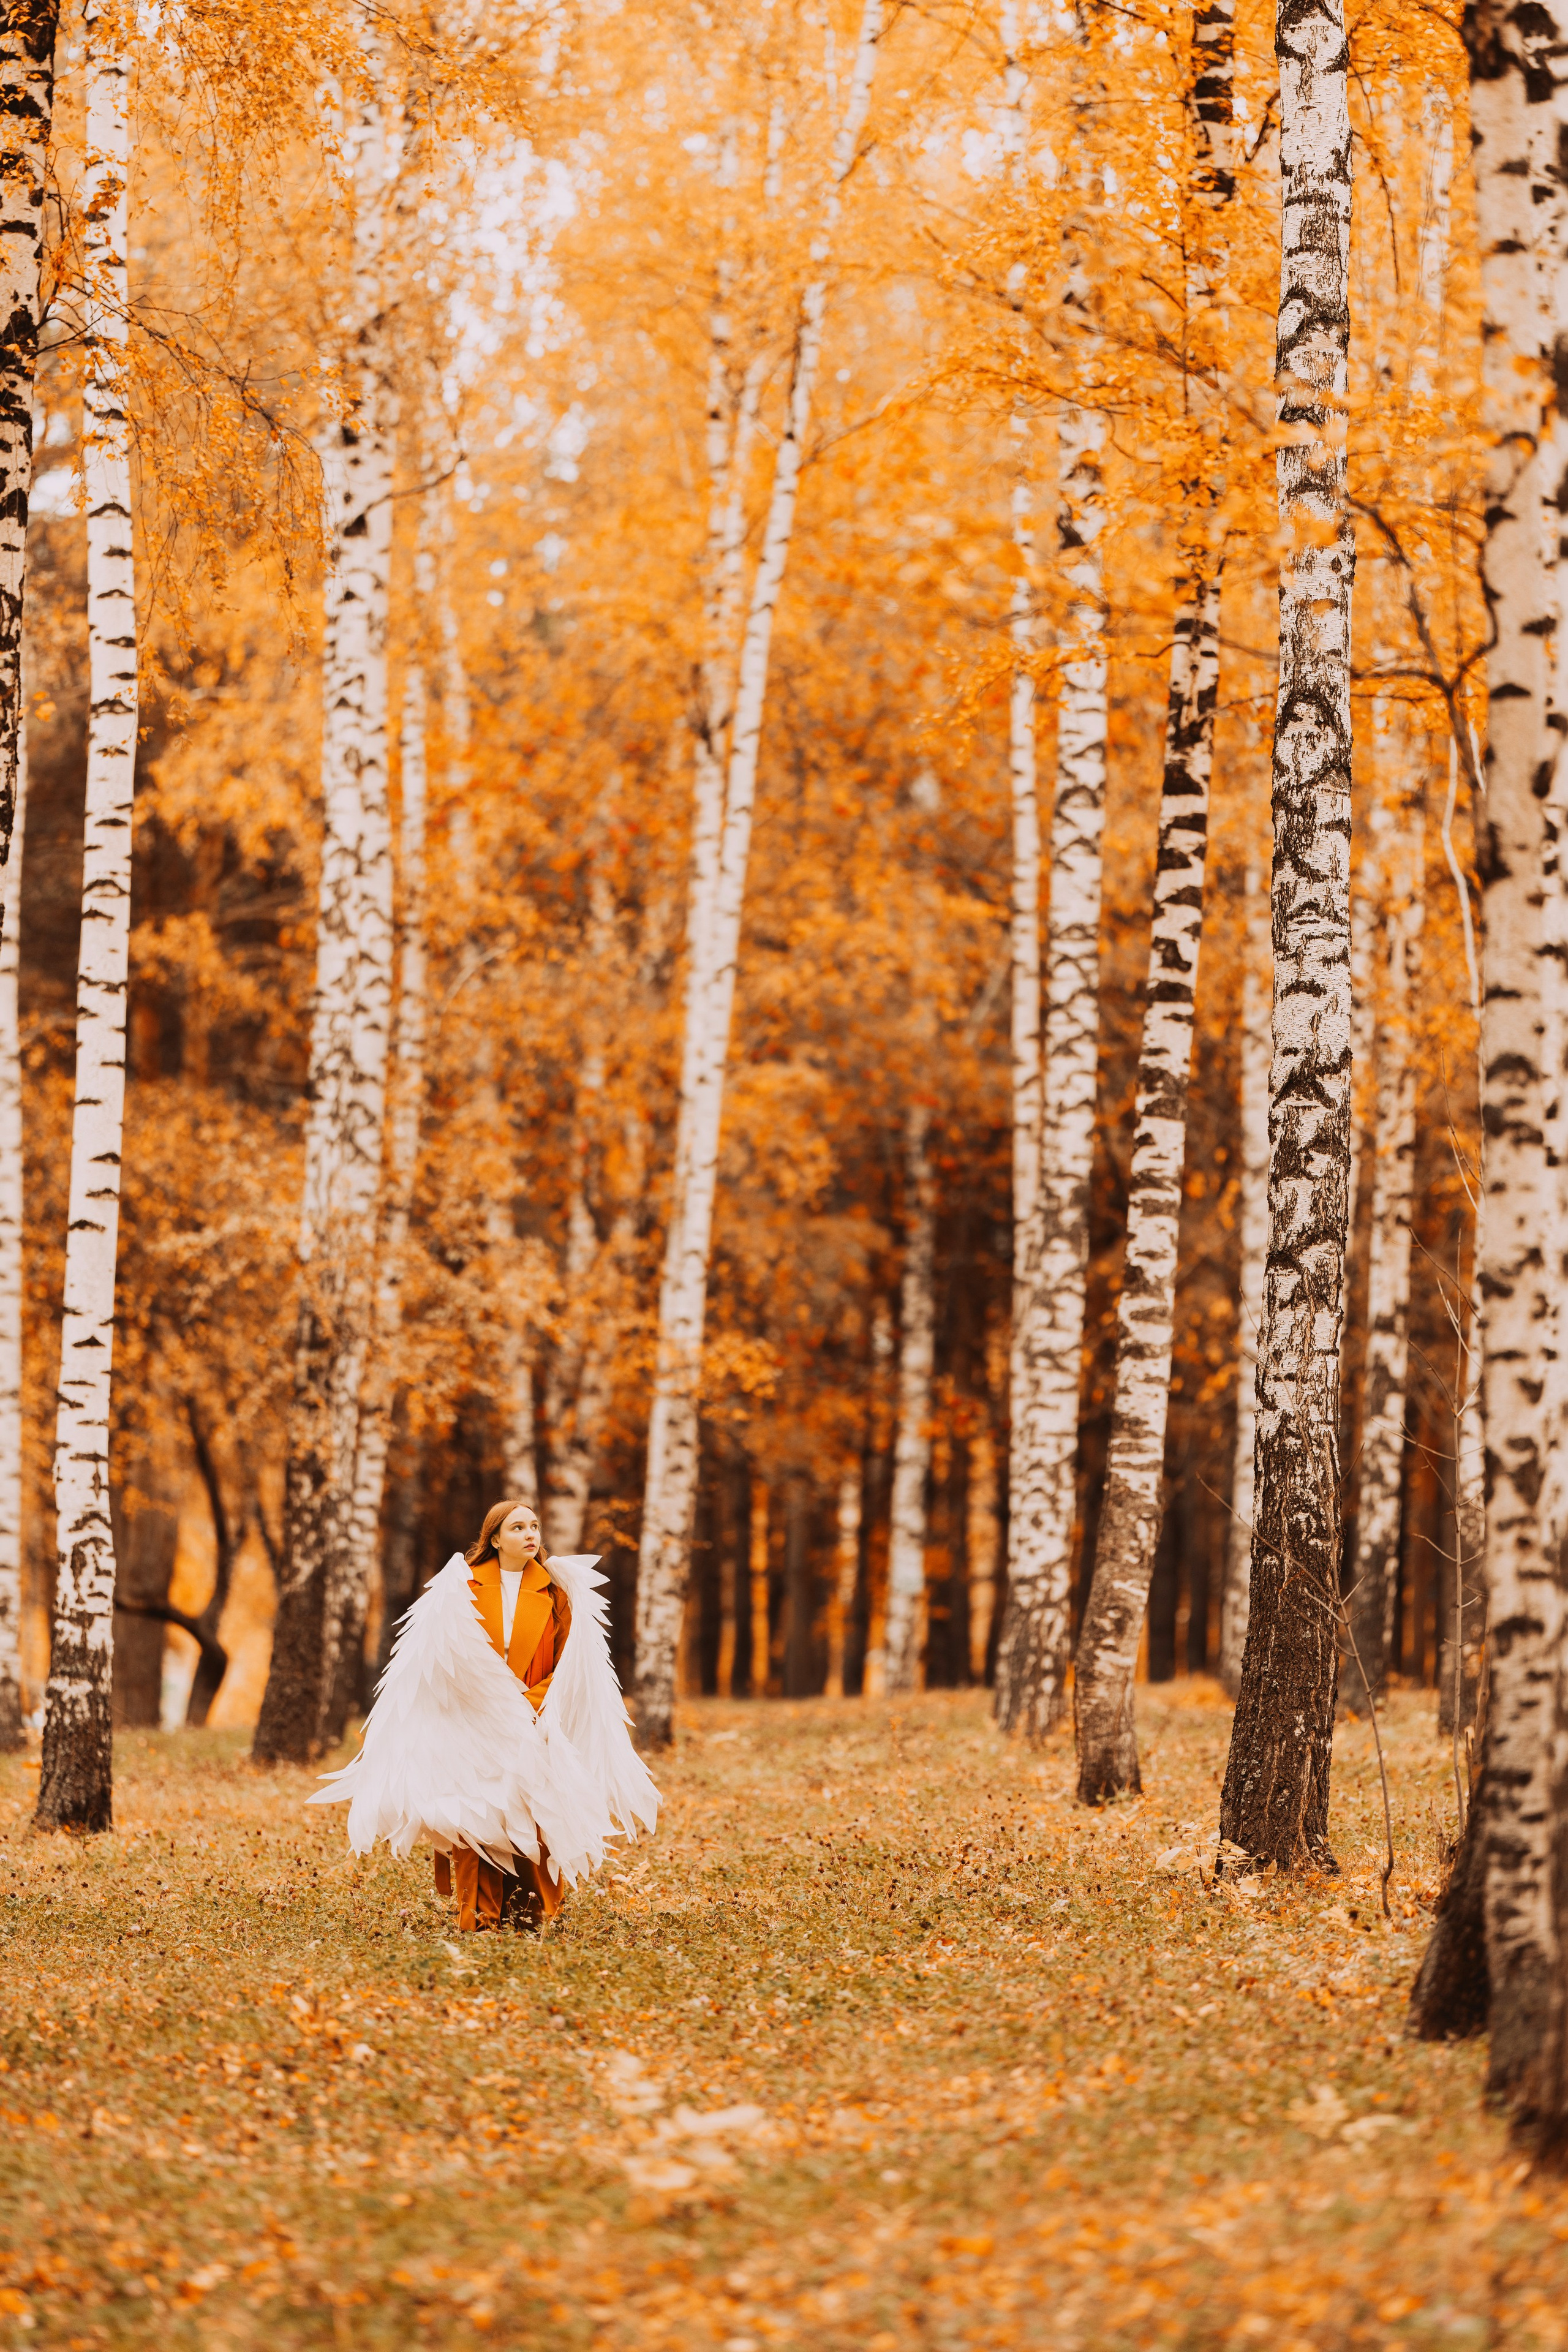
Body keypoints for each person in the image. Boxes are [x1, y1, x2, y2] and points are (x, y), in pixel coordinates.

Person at [310, 1498, 659, 1931]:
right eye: (517, 1528)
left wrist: (532, 1704)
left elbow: (573, 1663)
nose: (531, 1534)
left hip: (536, 1718)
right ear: (494, 1538)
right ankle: (480, 1918)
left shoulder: (557, 1592)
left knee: (534, 1812)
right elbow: (440, 1660)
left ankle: (533, 1915)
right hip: (472, 1724)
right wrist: (481, 1707)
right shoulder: (462, 1589)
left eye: (534, 1526)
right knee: (476, 1817)